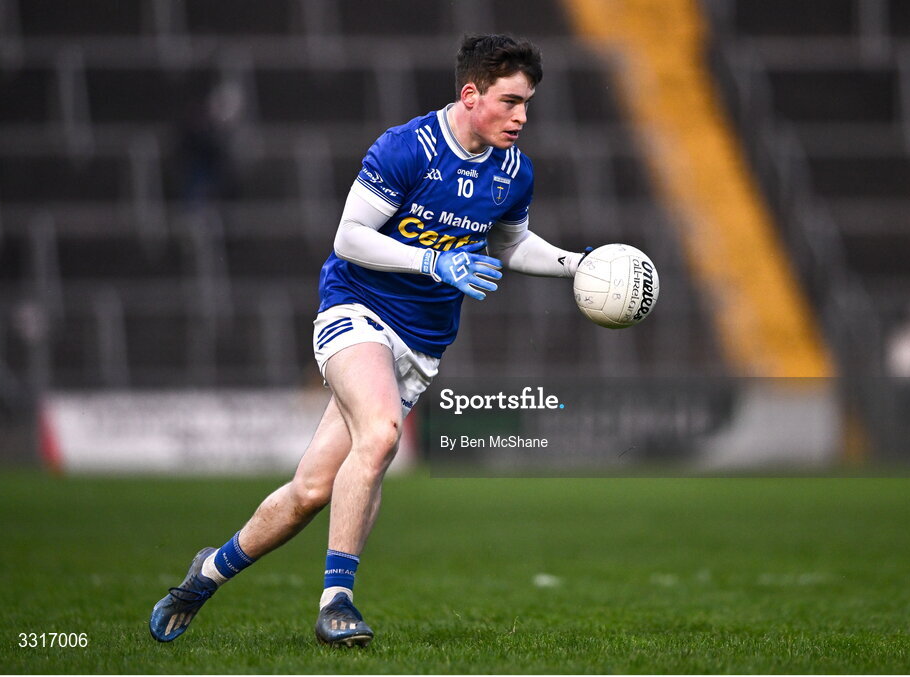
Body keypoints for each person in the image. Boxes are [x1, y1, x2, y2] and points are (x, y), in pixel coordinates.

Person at [149, 33, 590, 647]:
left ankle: (207, 572)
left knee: (309, 492)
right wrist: (435, 264)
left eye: (528, 104)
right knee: (381, 434)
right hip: (356, 312)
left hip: (422, 343)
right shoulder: (407, 148)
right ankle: (338, 601)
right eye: (511, 101)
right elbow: (350, 238)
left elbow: (510, 242)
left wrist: (577, 265)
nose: (522, 116)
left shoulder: (513, 170)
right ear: (471, 94)